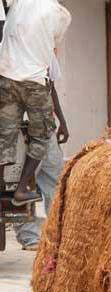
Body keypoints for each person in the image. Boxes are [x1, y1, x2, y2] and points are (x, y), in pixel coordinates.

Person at [0, 0, 71, 205]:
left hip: (7, 79)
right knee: (41, 136)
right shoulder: (59, 13)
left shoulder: (17, 4)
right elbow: (53, 44)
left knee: (6, 136)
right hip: (34, 83)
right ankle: (21, 190)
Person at [15, 54, 68, 251]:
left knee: (55, 180)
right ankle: (29, 237)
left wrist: (62, 122)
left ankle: (56, 233)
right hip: (18, 129)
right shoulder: (7, 50)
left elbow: (51, 89)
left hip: (46, 127)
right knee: (22, 181)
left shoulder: (46, 52)